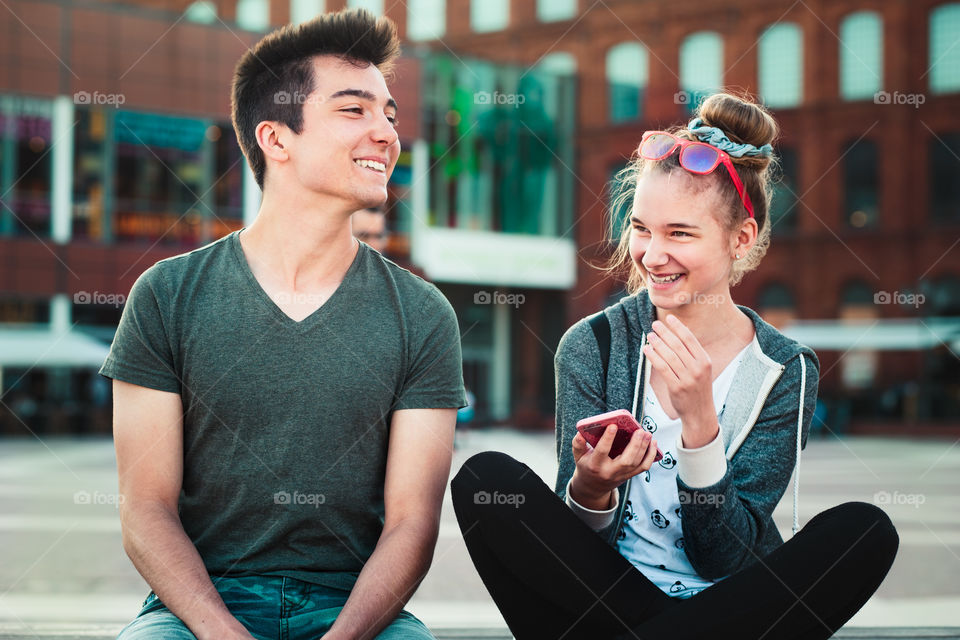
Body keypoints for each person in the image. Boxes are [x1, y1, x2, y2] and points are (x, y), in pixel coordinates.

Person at [451, 93, 898, 640]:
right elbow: (568, 552)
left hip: (728, 606)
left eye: (679, 233)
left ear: (742, 238)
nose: (652, 255)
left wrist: (700, 428)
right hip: (607, 596)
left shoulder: (783, 370)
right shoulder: (593, 344)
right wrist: (590, 490)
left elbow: (724, 559)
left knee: (865, 532)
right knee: (486, 480)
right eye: (642, 228)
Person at [102, 9, 465, 639]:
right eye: (355, 110)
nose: (385, 132)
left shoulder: (423, 315)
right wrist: (222, 632)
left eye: (389, 114)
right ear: (276, 138)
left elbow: (413, 523)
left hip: (357, 611)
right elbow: (145, 510)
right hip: (196, 609)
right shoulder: (166, 295)